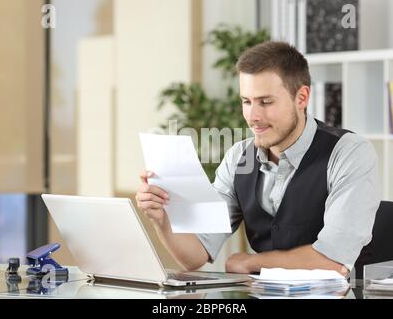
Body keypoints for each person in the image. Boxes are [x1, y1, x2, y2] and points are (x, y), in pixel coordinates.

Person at [135, 41, 380, 276]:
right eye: (246, 102)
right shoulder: (238, 158)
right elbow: (195, 255)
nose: (253, 116)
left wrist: (251, 262)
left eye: (265, 102)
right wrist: (162, 219)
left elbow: (332, 261)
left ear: (301, 98)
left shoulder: (348, 152)